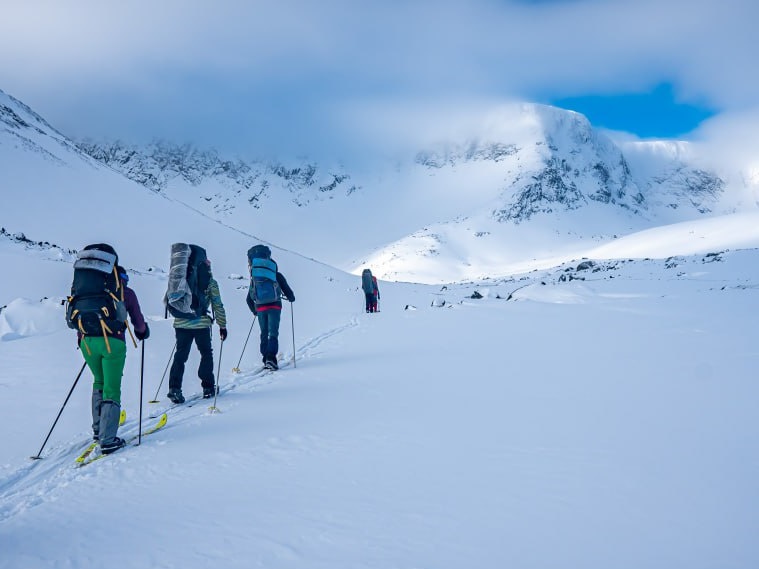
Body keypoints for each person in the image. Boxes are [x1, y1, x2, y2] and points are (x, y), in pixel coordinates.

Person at [79, 264, 149, 455]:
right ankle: (108, 440)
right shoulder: (126, 293)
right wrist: (143, 332)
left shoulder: (90, 291)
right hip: (112, 343)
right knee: (111, 388)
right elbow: (138, 323)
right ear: (122, 278)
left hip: (87, 342)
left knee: (99, 382)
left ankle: (98, 430)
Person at [167, 256, 227, 403]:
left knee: (180, 355)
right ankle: (208, 387)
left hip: (181, 323)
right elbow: (217, 304)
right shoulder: (210, 282)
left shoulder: (181, 279)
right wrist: (222, 325)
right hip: (201, 323)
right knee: (206, 353)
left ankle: (174, 389)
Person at [246, 250, 295, 371]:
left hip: (260, 307)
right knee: (273, 332)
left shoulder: (255, 278)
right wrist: (291, 298)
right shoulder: (276, 275)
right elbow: (290, 293)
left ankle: (265, 358)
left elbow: (248, 299)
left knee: (264, 332)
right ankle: (271, 358)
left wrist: (255, 311)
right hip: (275, 306)